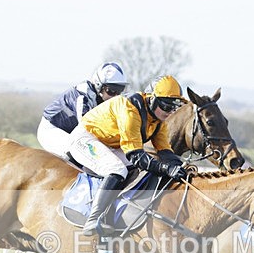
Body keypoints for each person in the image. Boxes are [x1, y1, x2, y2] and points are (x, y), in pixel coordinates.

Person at [67, 75, 190, 236]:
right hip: (86, 138)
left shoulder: (158, 120)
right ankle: (93, 219)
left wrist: (179, 166)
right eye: (166, 106)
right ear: (152, 99)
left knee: (139, 170)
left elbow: (165, 150)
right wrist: (165, 168)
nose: (170, 112)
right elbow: (135, 155)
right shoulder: (130, 110)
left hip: (109, 144)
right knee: (117, 169)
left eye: (174, 107)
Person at [37, 62, 129, 160]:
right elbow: (87, 130)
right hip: (51, 130)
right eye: (111, 90)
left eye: (120, 90)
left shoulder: (102, 97)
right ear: (99, 85)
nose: (115, 95)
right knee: (81, 154)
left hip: (70, 132)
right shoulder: (82, 98)